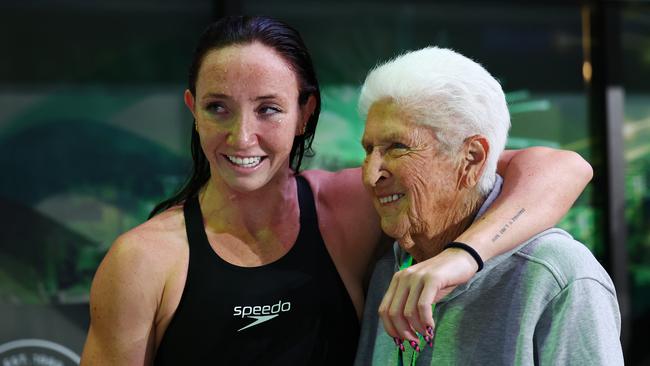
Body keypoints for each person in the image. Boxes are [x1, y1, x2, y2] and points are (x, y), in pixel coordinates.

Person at [80, 17, 593, 365]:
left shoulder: (348, 208)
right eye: (218, 108)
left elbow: (561, 167)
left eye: (268, 109)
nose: (242, 137)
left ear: (305, 114)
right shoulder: (145, 261)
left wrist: (462, 257)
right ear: (192, 109)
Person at [354, 46, 623, 365]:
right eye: (369, 149)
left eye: (397, 147)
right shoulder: (392, 266)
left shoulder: (555, 273)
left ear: (471, 159)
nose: (371, 175)